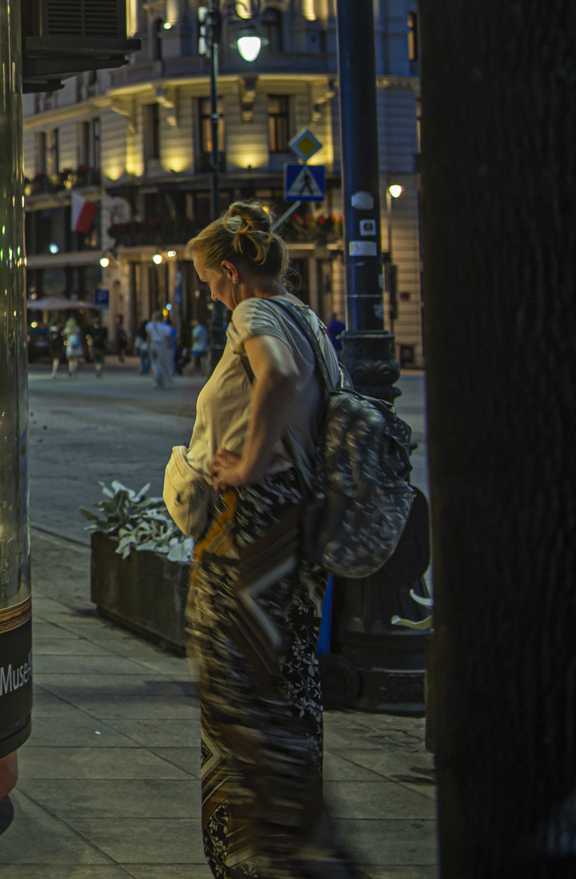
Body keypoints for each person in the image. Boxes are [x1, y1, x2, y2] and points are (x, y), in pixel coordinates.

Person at [183, 201, 360, 875]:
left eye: (208, 281)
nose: (209, 292)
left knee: (235, 684)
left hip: (250, 527)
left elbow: (278, 373)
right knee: (284, 677)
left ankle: (274, 848)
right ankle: (289, 841)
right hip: (295, 531)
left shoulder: (254, 313)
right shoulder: (308, 317)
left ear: (230, 272)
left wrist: (251, 462)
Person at [146, 314, 177, 388]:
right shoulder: (165, 327)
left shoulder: (150, 325)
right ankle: (161, 379)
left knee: (154, 363)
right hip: (162, 345)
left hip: (153, 344)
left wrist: (148, 346)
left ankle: (157, 379)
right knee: (161, 362)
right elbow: (168, 338)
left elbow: (148, 337)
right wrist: (170, 346)